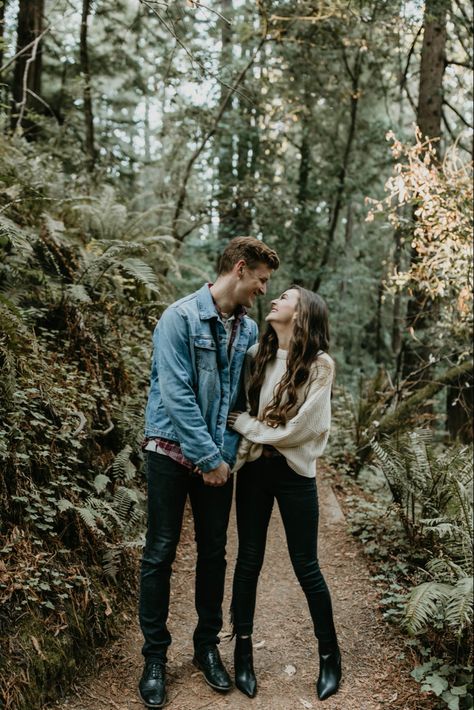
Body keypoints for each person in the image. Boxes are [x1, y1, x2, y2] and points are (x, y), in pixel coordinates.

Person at [138, 236, 279, 708]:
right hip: (170, 453)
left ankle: (205, 647)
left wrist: (230, 453)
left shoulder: (251, 332)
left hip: (219, 459)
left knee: (214, 552)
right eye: (261, 279)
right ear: (240, 269)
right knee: (159, 552)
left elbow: (247, 398)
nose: (263, 289)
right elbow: (176, 395)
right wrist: (208, 458)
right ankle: (154, 657)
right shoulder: (177, 318)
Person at [228, 285, 341, 702]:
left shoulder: (320, 366)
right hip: (255, 469)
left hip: (296, 474)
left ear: (302, 313)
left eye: (286, 297)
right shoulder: (255, 354)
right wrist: (254, 433)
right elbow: (237, 401)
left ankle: (330, 656)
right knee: (249, 560)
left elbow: (302, 431)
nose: (275, 299)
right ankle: (242, 653)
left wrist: (248, 426)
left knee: (306, 566)